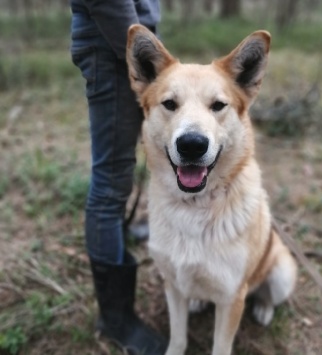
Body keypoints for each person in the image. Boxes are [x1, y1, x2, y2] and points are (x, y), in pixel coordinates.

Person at [70, 1, 167, 353]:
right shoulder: (125, 46)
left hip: (132, 41)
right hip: (114, 45)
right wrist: (142, 54)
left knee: (122, 172)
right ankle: (116, 319)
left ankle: (118, 234)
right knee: (110, 185)